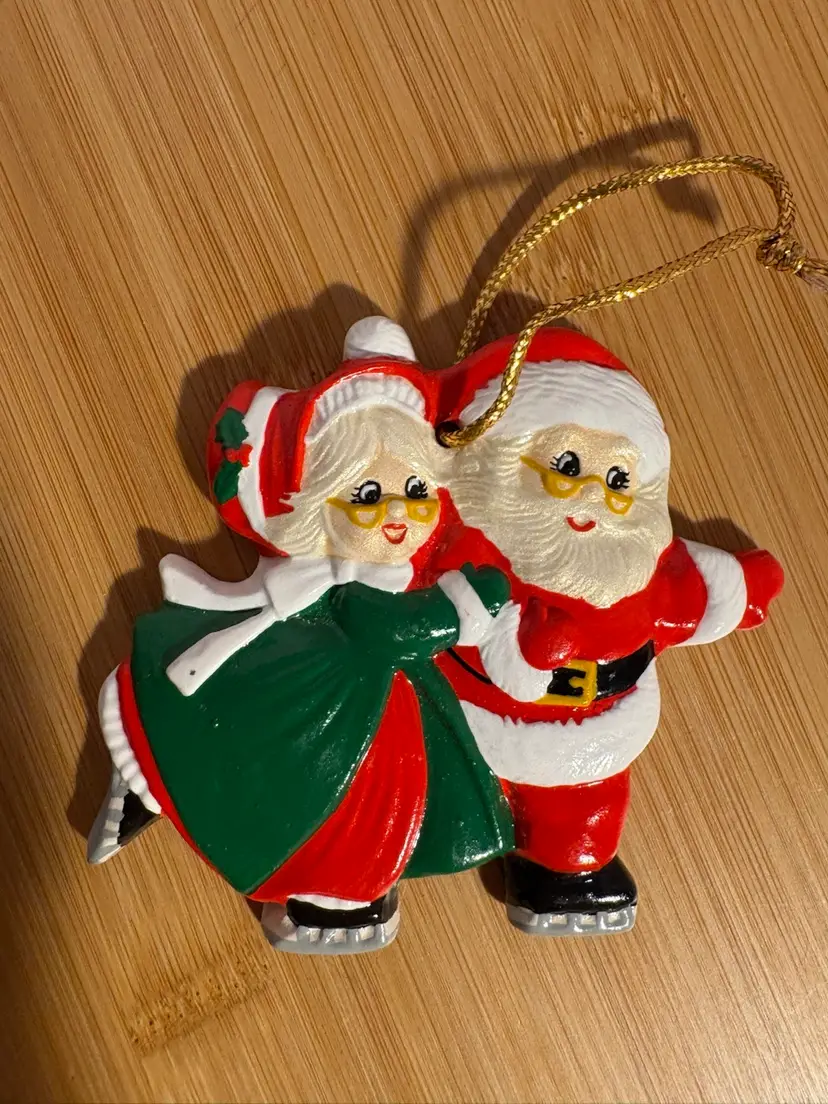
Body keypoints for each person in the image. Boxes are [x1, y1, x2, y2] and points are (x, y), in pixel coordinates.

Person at [87, 317, 514, 954]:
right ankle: (326, 892)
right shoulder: (355, 591)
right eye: (367, 494)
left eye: (416, 490)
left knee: (368, 806)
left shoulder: (379, 576)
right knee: (336, 808)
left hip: (365, 718)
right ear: (319, 506)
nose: (398, 513)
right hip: (334, 720)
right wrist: (463, 606)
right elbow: (393, 629)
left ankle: (338, 888)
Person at [435, 327, 783, 935]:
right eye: (568, 466)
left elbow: (686, 594)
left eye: (619, 479)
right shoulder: (472, 547)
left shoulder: (636, 565)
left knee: (584, 812)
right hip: (465, 716)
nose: (595, 493)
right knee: (425, 796)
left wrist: (737, 590)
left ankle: (567, 874)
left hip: (596, 736)